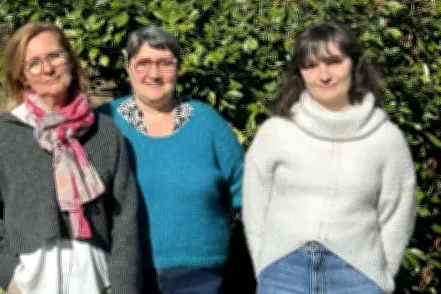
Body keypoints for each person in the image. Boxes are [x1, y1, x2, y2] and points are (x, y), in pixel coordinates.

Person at [0, 21, 141, 294]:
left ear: (69, 59)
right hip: (31, 285)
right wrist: (11, 277)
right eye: (33, 63)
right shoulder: (4, 136)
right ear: (22, 76)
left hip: (95, 283)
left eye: (54, 56)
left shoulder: (105, 133)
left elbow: (125, 221)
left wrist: (122, 287)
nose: (47, 69)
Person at [243, 22, 416, 294]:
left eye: (334, 62)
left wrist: (381, 273)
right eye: (310, 66)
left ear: (354, 65)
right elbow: (255, 205)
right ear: (300, 73)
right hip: (283, 272)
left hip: (358, 275)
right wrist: (264, 263)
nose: (323, 75)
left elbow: (398, 212)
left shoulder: (386, 138)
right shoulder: (275, 132)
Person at [96, 25, 245, 294]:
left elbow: (245, 192)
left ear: (177, 68)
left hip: (200, 276)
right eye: (143, 63)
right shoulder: (105, 121)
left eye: (164, 63)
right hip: (124, 272)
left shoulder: (207, 123)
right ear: (128, 67)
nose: (154, 74)